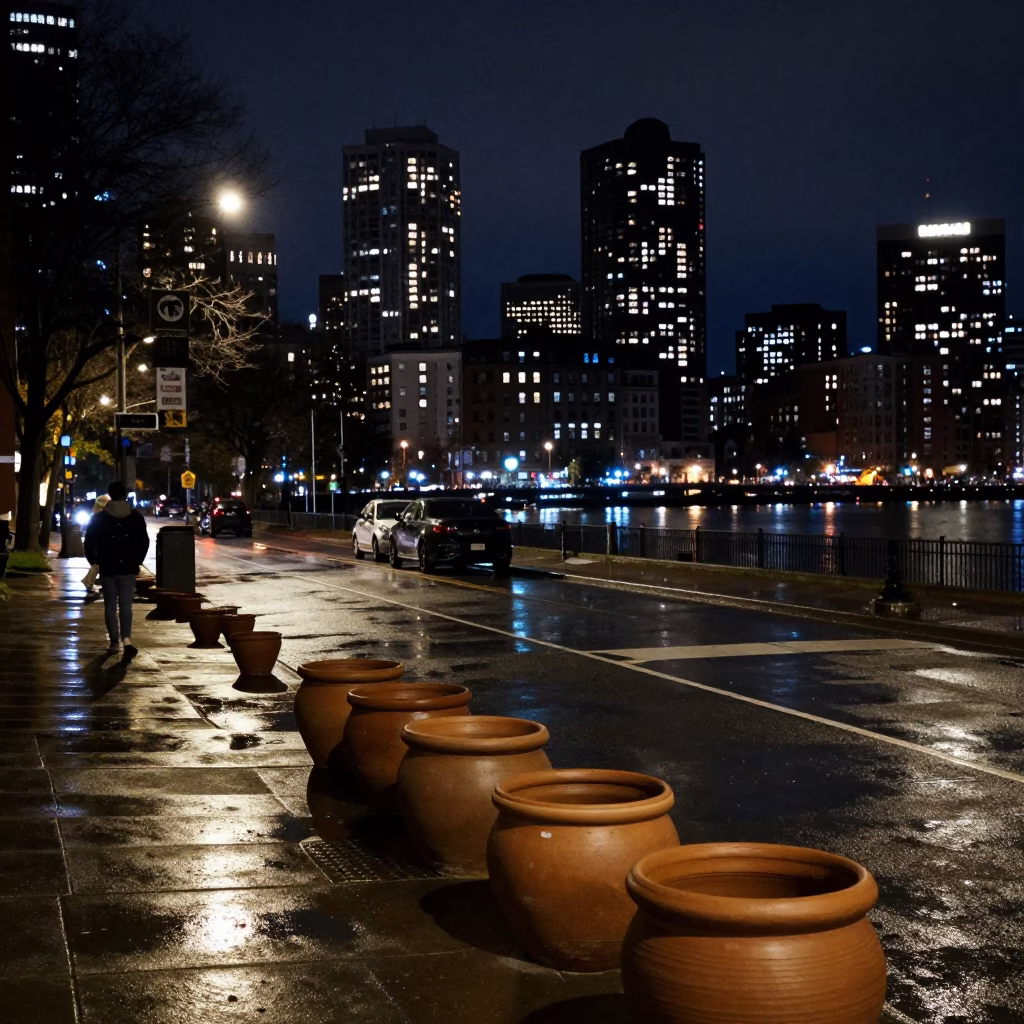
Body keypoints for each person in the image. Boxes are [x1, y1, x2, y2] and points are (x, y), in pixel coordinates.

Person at [84, 482, 150, 656]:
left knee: (110, 605)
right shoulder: (135, 517)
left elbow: (89, 541)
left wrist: (94, 561)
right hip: (128, 567)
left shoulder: (99, 518)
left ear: (110, 495)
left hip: (107, 566)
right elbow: (144, 541)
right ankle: (126, 639)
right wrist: (137, 560)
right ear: (125, 496)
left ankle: (114, 641)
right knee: (126, 605)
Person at [80, 492, 110, 594]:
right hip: (102, 548)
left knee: (98, 565)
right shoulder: (102, 517)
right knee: (99, 565)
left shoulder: (96, 517)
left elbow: (90, 538)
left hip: (99, 548)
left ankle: (90, 582)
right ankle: (90, 582)